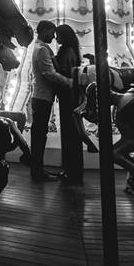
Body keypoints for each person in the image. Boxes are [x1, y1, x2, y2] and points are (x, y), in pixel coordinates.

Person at [29, 20, 73, 182]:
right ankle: (37, 171)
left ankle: (37, 169)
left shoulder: (42, 48)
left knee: (40, 134)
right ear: (44, 31)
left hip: (42, 96)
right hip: (42, 97)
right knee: (40, 135)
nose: (54, 36)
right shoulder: (41, 50)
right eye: (52, 32)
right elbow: (49, 73)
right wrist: (70, 83)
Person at [55, 24, 84, 184]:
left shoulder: (67, 51)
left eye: (58, 35)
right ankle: (73, 170)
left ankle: (71, 170)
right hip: (71, 96)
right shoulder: (72, 50)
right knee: (71, 133)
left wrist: (52, 61)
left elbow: (63, 72)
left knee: (69, 133)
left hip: (68, 96)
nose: (56, 38)